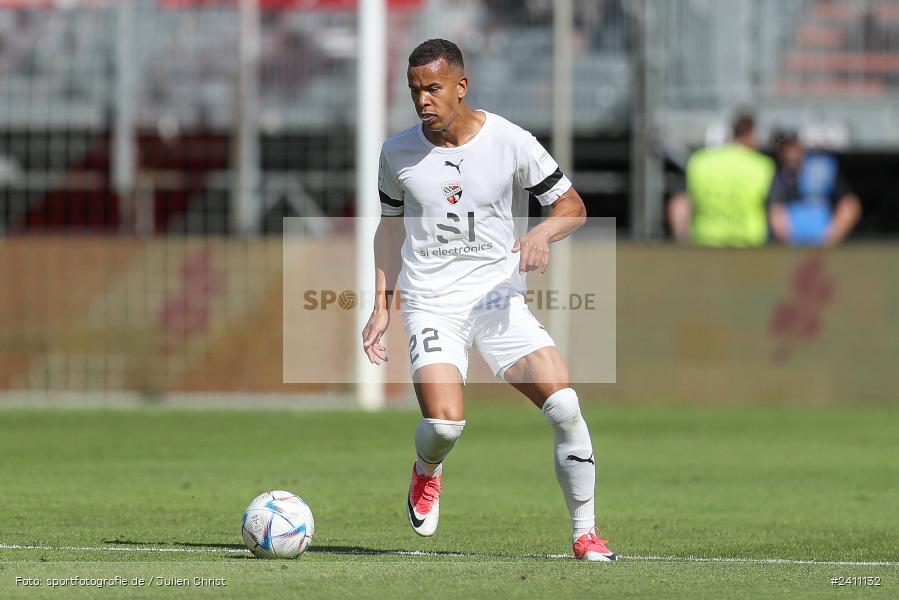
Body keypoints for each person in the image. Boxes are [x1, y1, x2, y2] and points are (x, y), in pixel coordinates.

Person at [361, 39, 616, 562]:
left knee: (564, 404)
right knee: (445, 424)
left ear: (461, 86)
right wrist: (382, 303)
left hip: (498, 303)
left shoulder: (510, 141)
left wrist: (543, 235)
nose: (423, 101)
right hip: (433, 303)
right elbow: (388, 231)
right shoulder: (397, 153)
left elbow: (572, 207)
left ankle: (585, 533)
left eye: (433, 88)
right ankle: (426, 472)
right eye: (414, 90)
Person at [667, 113, 776, 247]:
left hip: (706, 245)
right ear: (752, 135)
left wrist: (681, 240)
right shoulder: (762, 166)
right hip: (747, 248)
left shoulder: (699, 161)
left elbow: (680, 204)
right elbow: (776, 214)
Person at [767, 130, 861, 246]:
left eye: (793, 146)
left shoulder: (823, 168)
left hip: (824, 247)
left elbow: (850, 205)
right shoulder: (777, 175)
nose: (789, 153)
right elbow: (776, 212)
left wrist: (830, 237)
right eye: (785, 148)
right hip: (792, 248)